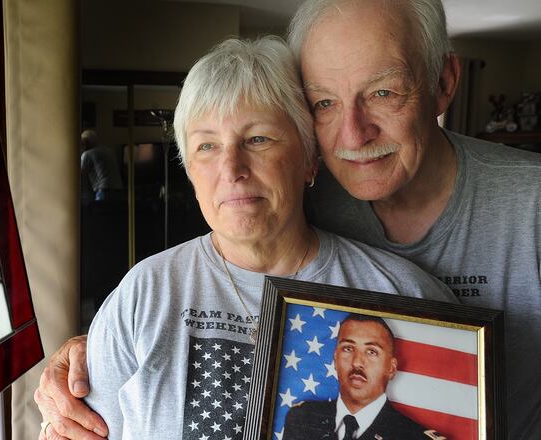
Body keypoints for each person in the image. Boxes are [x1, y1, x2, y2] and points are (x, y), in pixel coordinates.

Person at [34, 1, 541, 439]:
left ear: (307, 160)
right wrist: (91, 348)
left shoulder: (503, 225)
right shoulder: (147, 291)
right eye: (207, 146)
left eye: (383, 92)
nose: (354, 134)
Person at [283, 314, 438, 440]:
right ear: (335, 359)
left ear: (391, 368)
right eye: (348, 348)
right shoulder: (302, 418)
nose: (357, 362)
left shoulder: (414, 436)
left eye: (371, 352)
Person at [80, 129, 124, 203]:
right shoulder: (109, 151)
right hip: (118, 189)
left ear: (85, 142)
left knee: (100, 213)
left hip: (103, 190)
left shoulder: (87, 154)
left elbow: (81, 173)